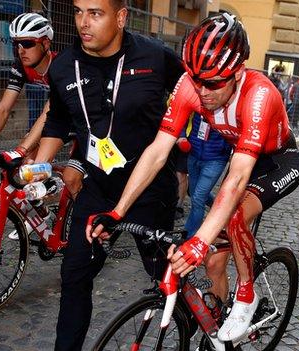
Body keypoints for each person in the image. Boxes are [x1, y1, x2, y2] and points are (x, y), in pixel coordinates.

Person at [87, 12, 299, 342]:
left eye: (213, 83)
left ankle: (247, 294)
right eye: (195, 78)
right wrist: (117, 211)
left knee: (232, 220)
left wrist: (199, 242)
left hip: (276, 163)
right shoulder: (191, 85)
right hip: (242, 156)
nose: (201, 90)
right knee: (214, 263)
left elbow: (236, 179)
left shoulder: (260, 95)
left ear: (238, 72)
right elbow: (157, 151)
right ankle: (216, 320)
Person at [31, 0, 184, 349]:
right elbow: (57, 121)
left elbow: (196, 91)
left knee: (163, 274)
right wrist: (39, 166)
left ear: (120, 17)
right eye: (78, 12)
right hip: (97, 189)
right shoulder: (63, 67)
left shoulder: (155, 58)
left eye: (95, 13)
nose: (84, 23)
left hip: (150, 191)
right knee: (74, 277)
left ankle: (193, 325)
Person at [0, 12, 56, 160]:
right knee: (25, 165)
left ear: (46, 43)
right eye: (16, 44)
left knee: (71, 179)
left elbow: (48, 113)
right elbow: (3, 108)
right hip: (56, 121)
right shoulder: (21, 66)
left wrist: (21, 150)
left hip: (80, 121)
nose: (21, 50)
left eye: (28, 43)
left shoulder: (60, 66)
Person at [181, 113, 231, 238]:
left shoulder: (228, 109)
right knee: (194, 194)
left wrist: (225, 149)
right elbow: (181, 118)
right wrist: (182, 137)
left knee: (197, 198)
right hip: (193, 155)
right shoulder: (196, 103)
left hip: (215, 160)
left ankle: (189, 235)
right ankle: (221, 209)